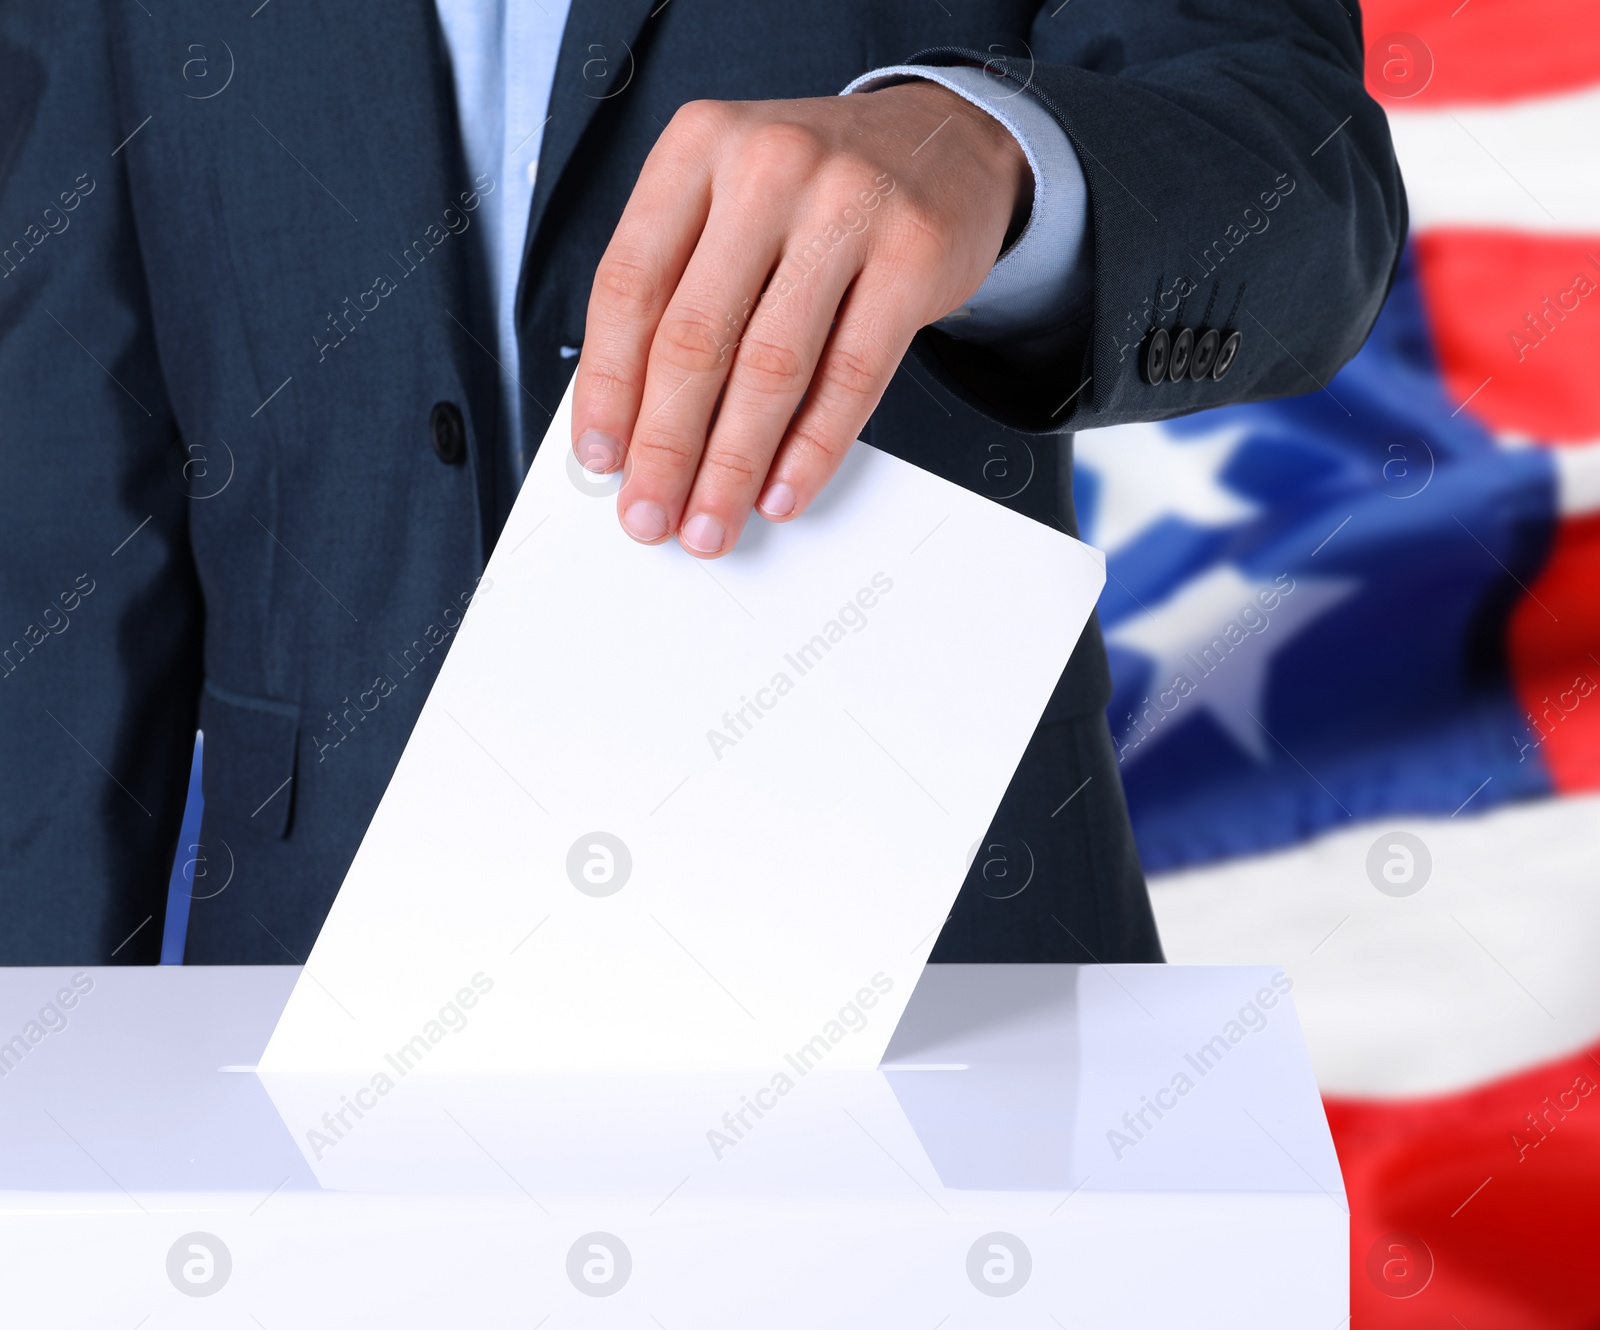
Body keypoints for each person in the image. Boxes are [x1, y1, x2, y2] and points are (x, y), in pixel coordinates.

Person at [0, 1, 1404, 964]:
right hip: (320, 956)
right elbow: (63, 510)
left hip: (926, 945)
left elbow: (1302, 172)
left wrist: (989, 153)